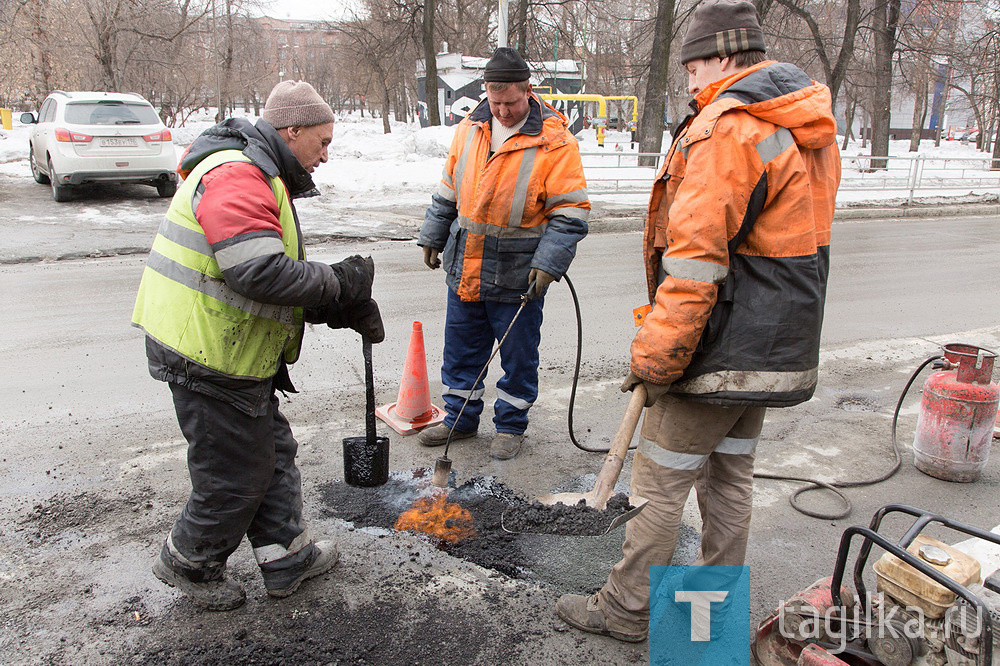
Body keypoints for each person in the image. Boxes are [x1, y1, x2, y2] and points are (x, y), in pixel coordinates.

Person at [556, 0, 841, 642]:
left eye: (692, 64)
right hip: (775, 347)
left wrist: (657, 359)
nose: (688, 79)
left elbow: (696, 265)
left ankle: (626, 610)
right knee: (730, 478)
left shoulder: (728, 130)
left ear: (721, 56)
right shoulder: (796, 126)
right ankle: (710, 621)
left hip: (719, 346)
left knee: (658, 481)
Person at [132, 80, 384, 611]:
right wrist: (338, 284)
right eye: (322, 141)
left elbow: (255, 275)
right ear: (292, 132)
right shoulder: (237, 175)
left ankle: (285, 558)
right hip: (204, 354)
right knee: (234, 475)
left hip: (229, 351)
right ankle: (189, 563)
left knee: (269, 454)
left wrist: (334, 306)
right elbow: (256, 272)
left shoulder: (261, 174)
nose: (326, 154)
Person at [416, 47, 590, 460]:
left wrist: (548, 265)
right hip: (465, 263)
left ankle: (510, 426)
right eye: (496, 103)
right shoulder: (470, 129)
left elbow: (570, 213)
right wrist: (432, 235)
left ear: (528, 91)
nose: (504, 111)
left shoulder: (555, 141)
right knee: (461, 349)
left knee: (518, 355)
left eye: (511, 102)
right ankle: (459, 417)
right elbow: (448, 189)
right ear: (486, 94)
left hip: (518, 272)